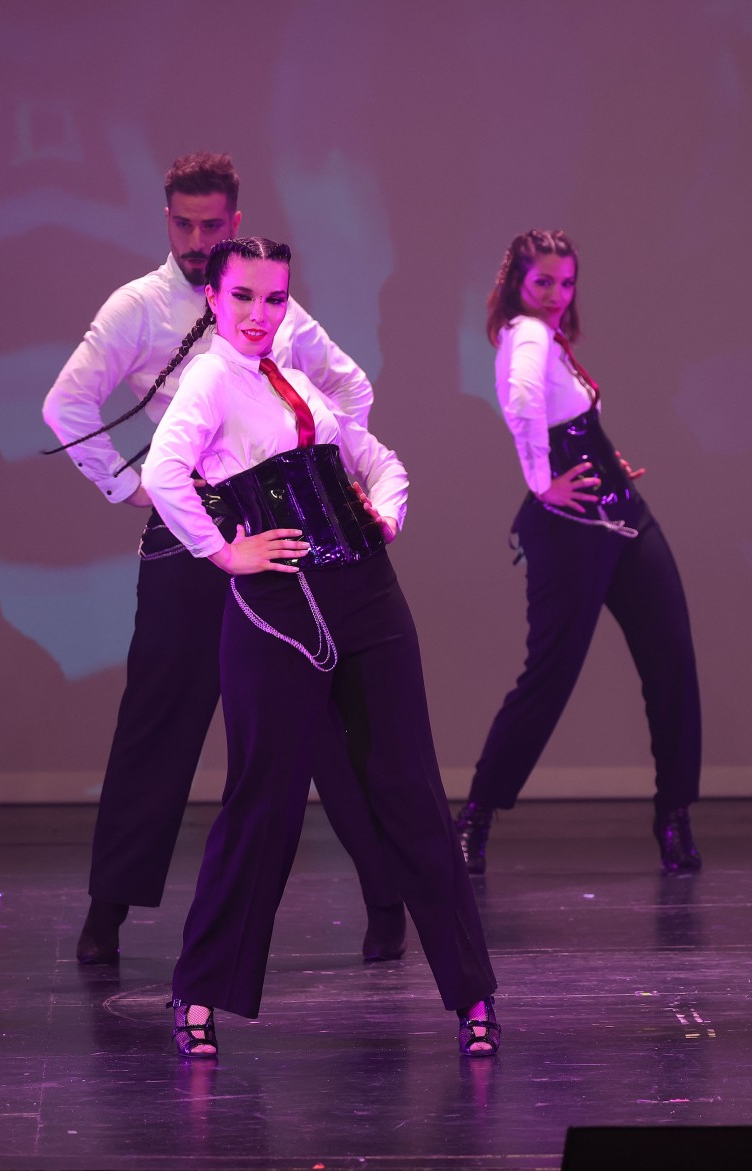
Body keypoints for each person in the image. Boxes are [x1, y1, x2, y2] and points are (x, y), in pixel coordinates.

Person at [42, 152, 405, 965]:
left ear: (235, 223)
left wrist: (323, 473)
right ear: (166, 220)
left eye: (212, 224)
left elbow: (351, 389)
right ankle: (108, 912)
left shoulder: (275, 306)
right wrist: (130, 486)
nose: (197, 238)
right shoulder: (138, 308)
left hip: (278, 534)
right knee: (158, 720)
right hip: (190, 532)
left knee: (324, 720)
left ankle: (386, 899)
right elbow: (65, 403)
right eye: (184, 223)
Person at [143, 237, 499, 1058]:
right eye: (242, 297)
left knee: (412, 793)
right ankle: (199, 994)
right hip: (278, 611)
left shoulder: (298, 381)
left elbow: (382, 461)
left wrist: (386, 515)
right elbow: (164, 474)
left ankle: (473, 997)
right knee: (261, 803)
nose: (258, 314)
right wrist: (224, 552)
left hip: (369, 599)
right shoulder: (209, 381)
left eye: (273, 298)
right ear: (213, 299)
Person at [455, 230, 703, 875]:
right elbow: (522, 403)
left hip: (623, 514)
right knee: (550, 676)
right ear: (516, 282)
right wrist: (542, 483)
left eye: (566, 283)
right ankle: (475, 815)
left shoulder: (551, 338)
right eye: (544, 282)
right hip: (571, 530)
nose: (557, 295)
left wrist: (604, 460)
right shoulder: (527, 335)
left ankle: (674, 815)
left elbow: (567, 417)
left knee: (672, 661)